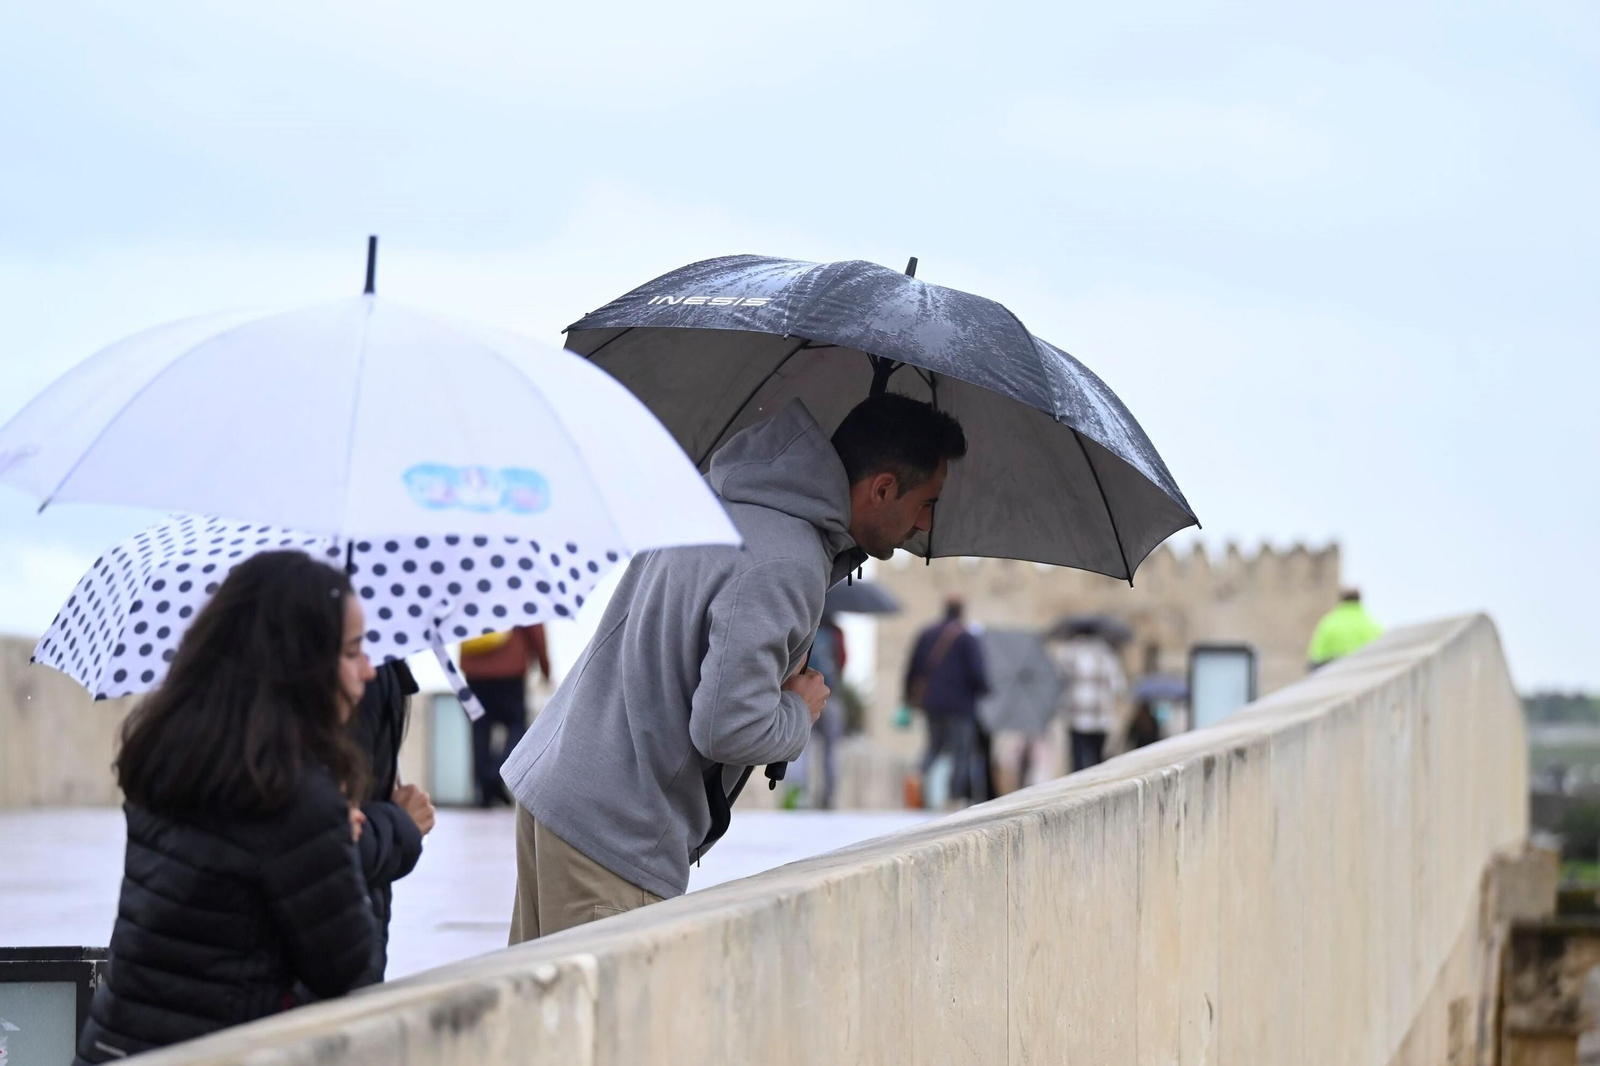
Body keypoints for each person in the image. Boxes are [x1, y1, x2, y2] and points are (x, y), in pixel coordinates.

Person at [500, 394, 968, 940]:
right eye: (927, 502)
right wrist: (799, 710)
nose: (925, 525)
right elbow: (729, 726)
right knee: (607, 1024)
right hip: (617, 826)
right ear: (883, 488)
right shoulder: (785, 562)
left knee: (544, 1017)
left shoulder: (726, 499)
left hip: (564, 787)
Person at [76, 552, 378, 1064]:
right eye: (352, 653)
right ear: (298, 664)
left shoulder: (171, 754)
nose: (369, 671)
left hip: (113, 1045)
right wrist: (340, 850)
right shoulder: (297, 800)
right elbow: (347, 969)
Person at [347, 661, 435, 984]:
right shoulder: (371, 676)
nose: (364, 668)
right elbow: (324, 853)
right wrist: (401, 823)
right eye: (353, 649)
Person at [905, 598, 991, 807]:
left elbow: (913, 668)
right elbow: (977, 674)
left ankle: (916, 777)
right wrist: (985, 689)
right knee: (960, 752)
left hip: (932, 703)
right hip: (960, 706)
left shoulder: (927, 634)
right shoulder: (967, 638)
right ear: (961, 611)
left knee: (934, 745)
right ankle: (953, 798)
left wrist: (907, 697)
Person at [460, 624, 549, 807]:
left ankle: (483, 792)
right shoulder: (516, 594)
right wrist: (545, 667)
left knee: (480, 728)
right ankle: (497, 773)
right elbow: (534, 627)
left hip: (474, 670)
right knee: (517, 725)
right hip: (510, 669)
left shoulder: (469, 594)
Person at [1051, 622, 1127, 772]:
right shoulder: (1107, 654)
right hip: (1101, 717)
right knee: (1098, 761)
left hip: (1076, 717)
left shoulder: (1068, 652)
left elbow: (1057, 681)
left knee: (1078, 763)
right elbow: (1118, 686)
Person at [1307, 588, 1383, 670]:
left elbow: (1315, 659)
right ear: (1359, 600)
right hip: (1365, 671)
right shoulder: (1373, 625)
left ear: (1341, 600)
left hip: (1333, 675)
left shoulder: (1328, 624)